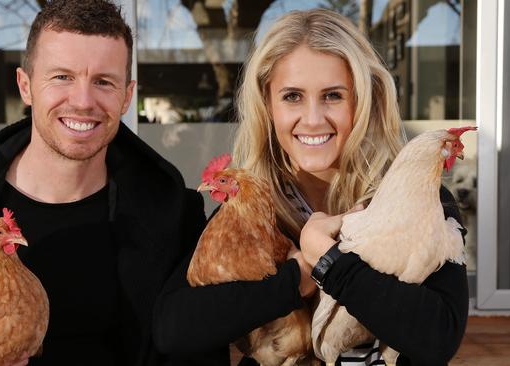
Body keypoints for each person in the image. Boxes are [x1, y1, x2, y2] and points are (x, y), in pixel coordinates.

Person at [0, 1, 228, 365]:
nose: (83, 101)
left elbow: (196, 350)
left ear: (127, 95)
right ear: (25, 85)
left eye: (103, 81)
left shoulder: (169, 210)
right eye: (62, 77)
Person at [153, 8, 468, 366]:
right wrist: (296, 278)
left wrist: (330, 263)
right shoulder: (252, 211)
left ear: (363, 101)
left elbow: (439, 334)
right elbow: (173, 327)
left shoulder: (418, 201)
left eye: (333, 95)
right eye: (292, 97)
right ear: (268, 106)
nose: (314, 118)